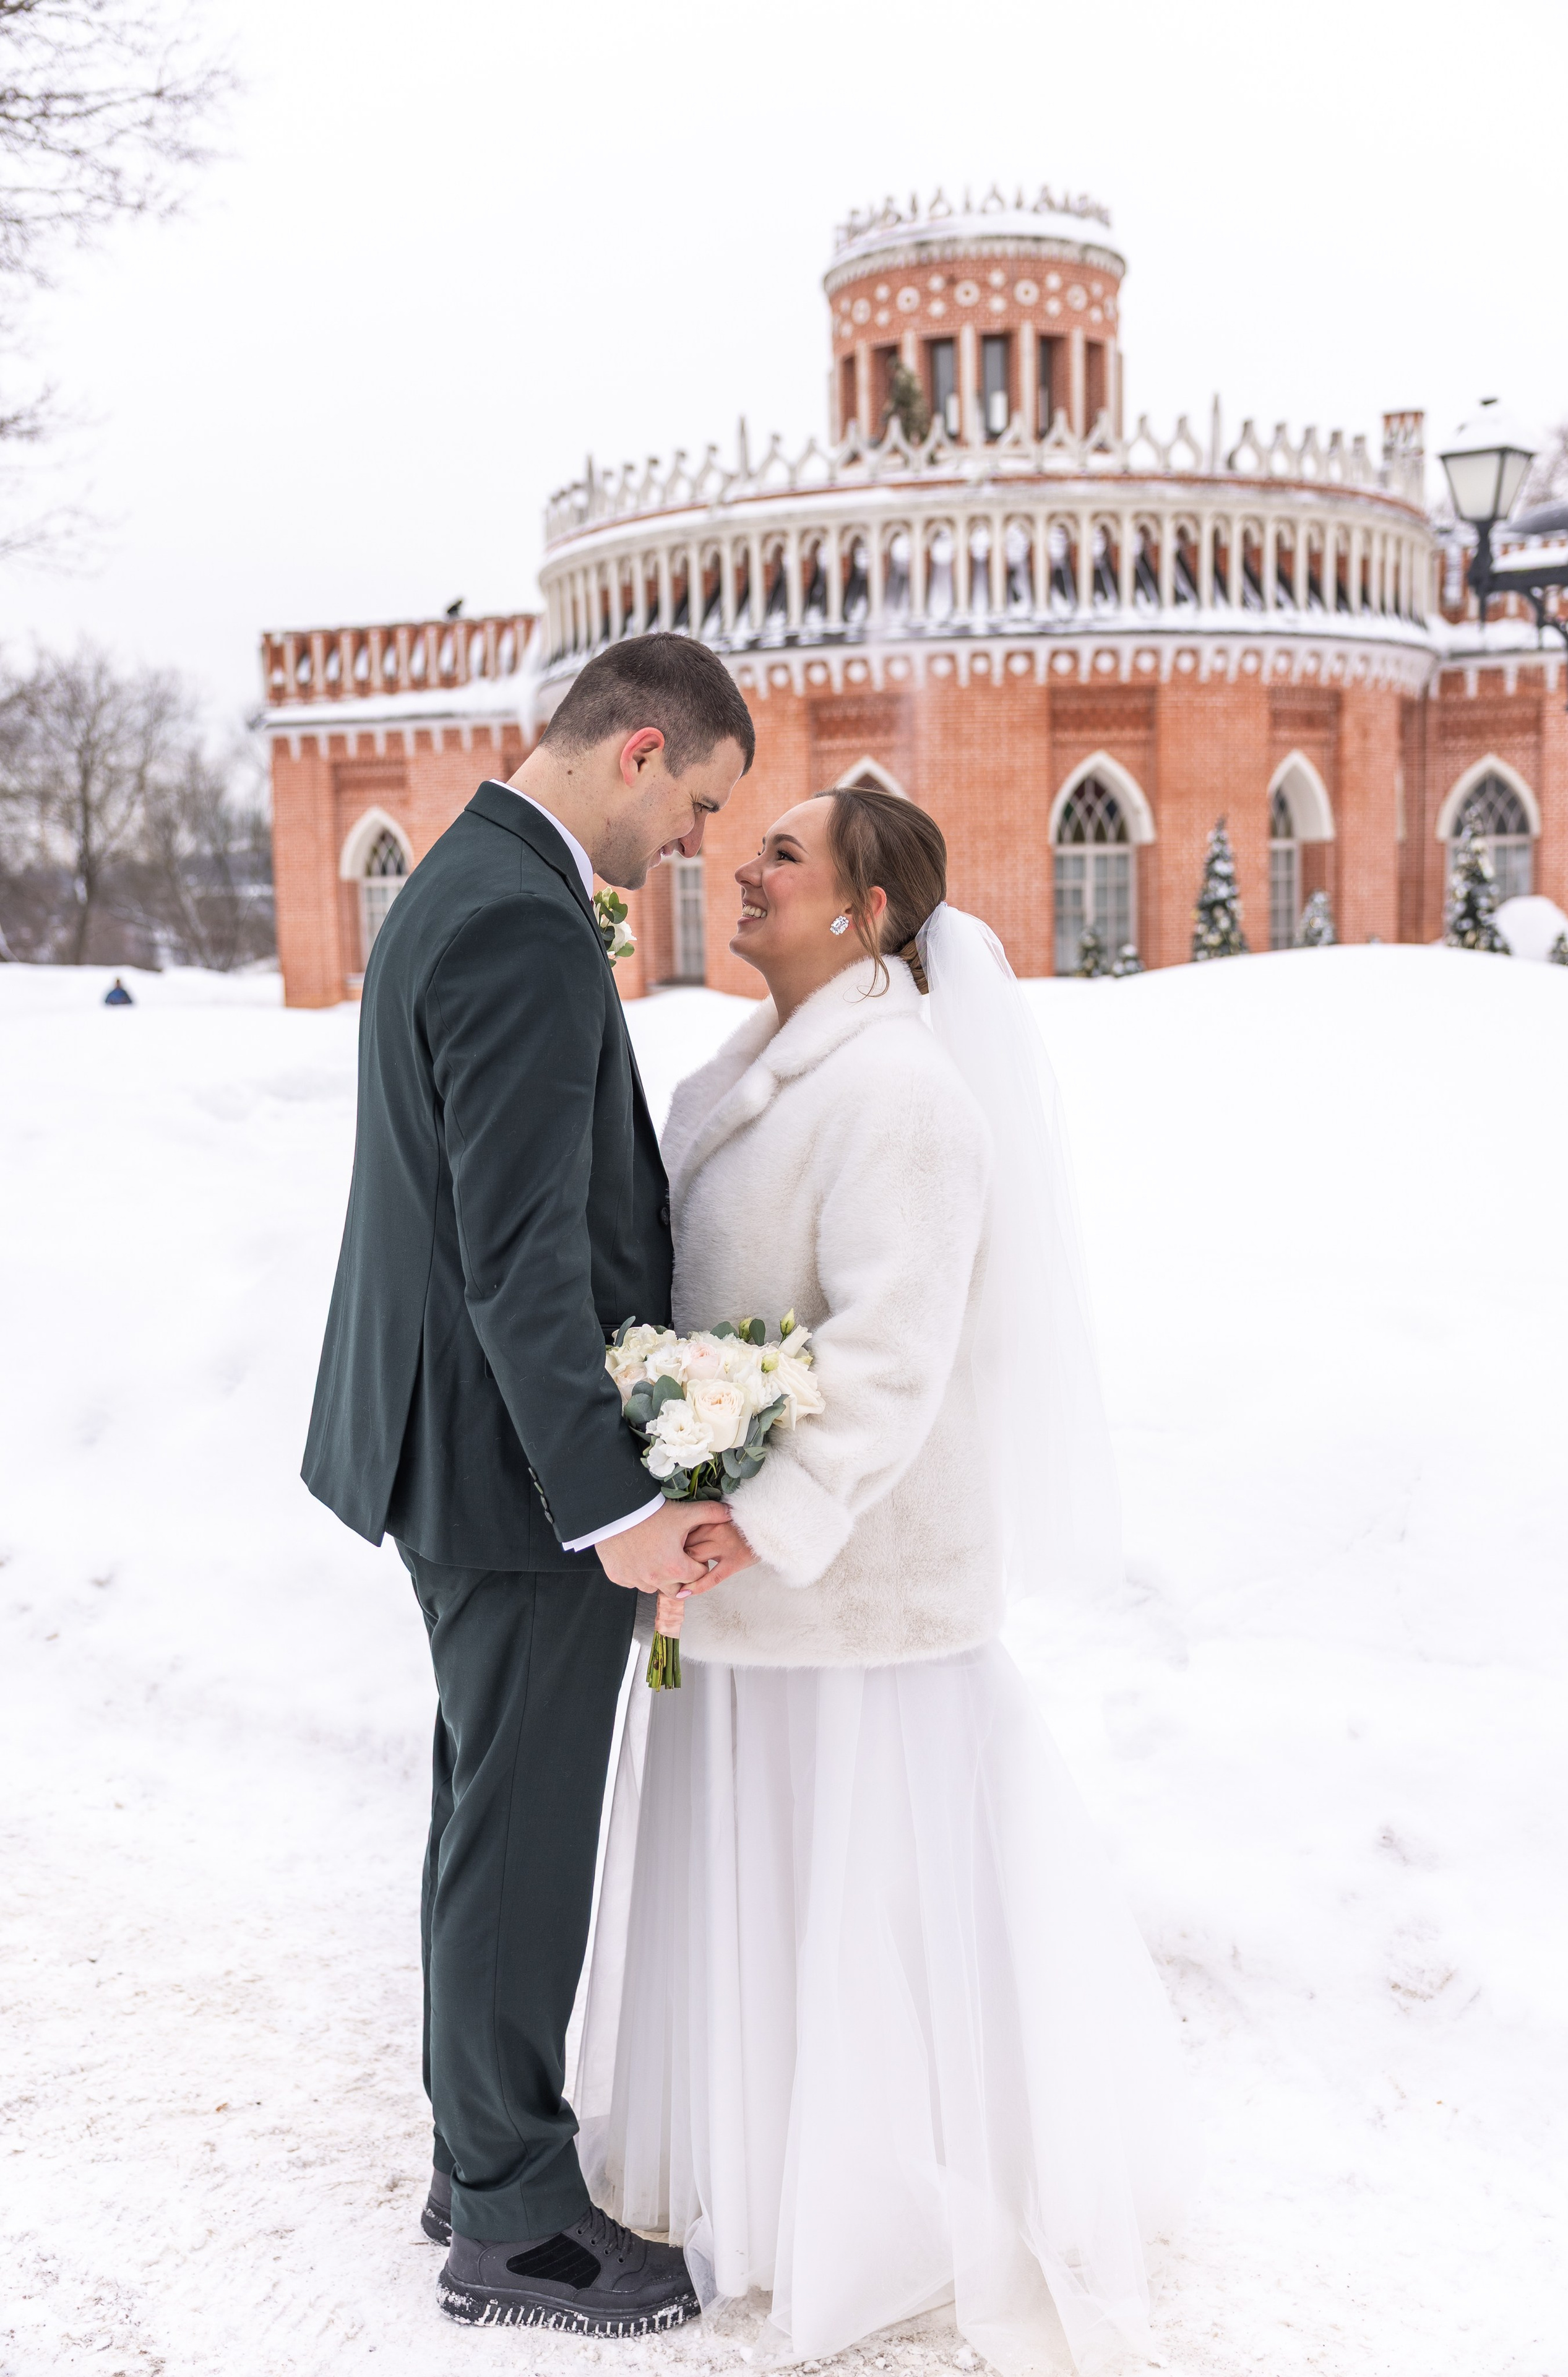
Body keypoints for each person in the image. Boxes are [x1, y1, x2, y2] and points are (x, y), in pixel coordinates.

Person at [574, 786, 1199, 2373]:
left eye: (782, 853)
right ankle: (763, 2180)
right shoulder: (748, 1070)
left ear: (867, 909)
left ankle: (875, 2210)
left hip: (851, 1597)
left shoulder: (904, 1094)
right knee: (766, 1892)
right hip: (753, 1592)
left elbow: (886, 1357)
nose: (742, 866)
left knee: (857, 1910)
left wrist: (755, 1516)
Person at [301, 634, 759, 2336]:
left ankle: (472, 2152)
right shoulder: (514, 914)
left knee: (489, 1807)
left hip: (462, 1448)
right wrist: (612, 1501)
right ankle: (518, 2223)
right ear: (643, 749)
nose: (703, 842)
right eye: (704, 800)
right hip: (508, 1470)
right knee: (524, 1827)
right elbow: (516, 1257)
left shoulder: (471, 872)